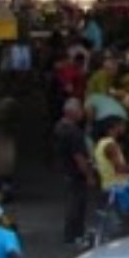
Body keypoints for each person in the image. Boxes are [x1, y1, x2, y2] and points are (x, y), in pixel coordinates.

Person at [55, 98, 98, 245]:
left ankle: (72, 234)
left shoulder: (60, 127)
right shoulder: (74, 133)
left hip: (66, 170)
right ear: (72, 113)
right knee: (77, 203)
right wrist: (89, 175)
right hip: (75, 172)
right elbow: (79, 157)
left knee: (73, 202)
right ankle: (74, 234)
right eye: (80, 110)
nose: (82, 113)